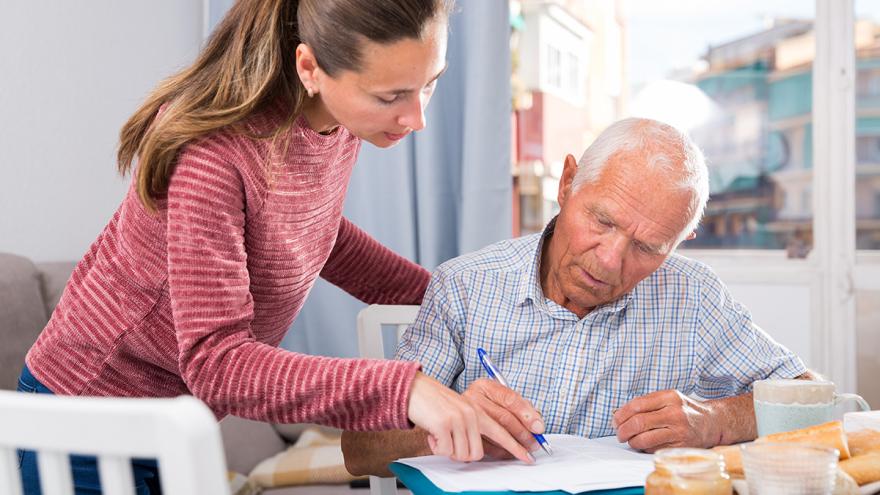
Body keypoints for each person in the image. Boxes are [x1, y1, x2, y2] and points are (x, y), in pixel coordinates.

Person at [18, 0, 539, 493]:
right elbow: (218, 364)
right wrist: (405, 389)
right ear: (310, 67)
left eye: (430, 83)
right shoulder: (214, 155)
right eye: (390, 97)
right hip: (83, 419)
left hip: (173, 424)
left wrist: (454, 297)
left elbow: (318, 234)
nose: (416, 117)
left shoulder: (337, 120)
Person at [342, 118, 816, 477]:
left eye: (647, 247)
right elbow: (359, 449)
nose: (610, 261)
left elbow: (813, 397)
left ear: (680, 242)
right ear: (567, 183)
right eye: (602, 221)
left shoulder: (694, 297)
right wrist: (444, 430)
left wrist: (715, 419)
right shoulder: (465, 285)